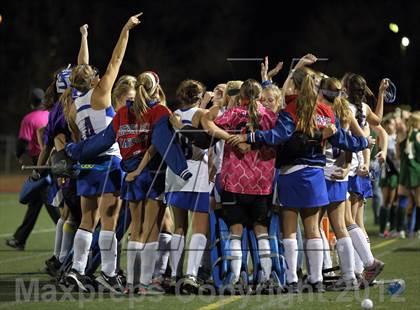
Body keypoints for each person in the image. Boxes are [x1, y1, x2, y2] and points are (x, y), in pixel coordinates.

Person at [228, 55, 371, 293]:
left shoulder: (290, 110)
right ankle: (315, 280)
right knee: (313, 229)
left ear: (293, 86)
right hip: (315, 174)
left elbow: (277, 137)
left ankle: (293, 280)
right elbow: (342, 139)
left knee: (290, 230)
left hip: (291, 173)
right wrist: (363, 141)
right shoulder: (326, 110)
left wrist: (249, 137)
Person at [63, 13, 143, 293]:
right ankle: (108, 274)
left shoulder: (75, 104)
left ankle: (77, 270)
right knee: (109, 221)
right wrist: (125, 29)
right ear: (94, 79)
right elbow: (116, 60)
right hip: (110, 161)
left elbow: (81, 67)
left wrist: (84, 37)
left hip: (87, 164)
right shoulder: (100, 93)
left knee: (87, 219)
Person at [6, 88, 60, 251]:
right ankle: (19, 239)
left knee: (50, 203)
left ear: (31, 102)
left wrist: (21, 158)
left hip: (40, 162)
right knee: (36, 202)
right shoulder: (51, 114)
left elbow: (21, 144)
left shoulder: (29, 119)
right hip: (57, 160)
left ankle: (70, 235)